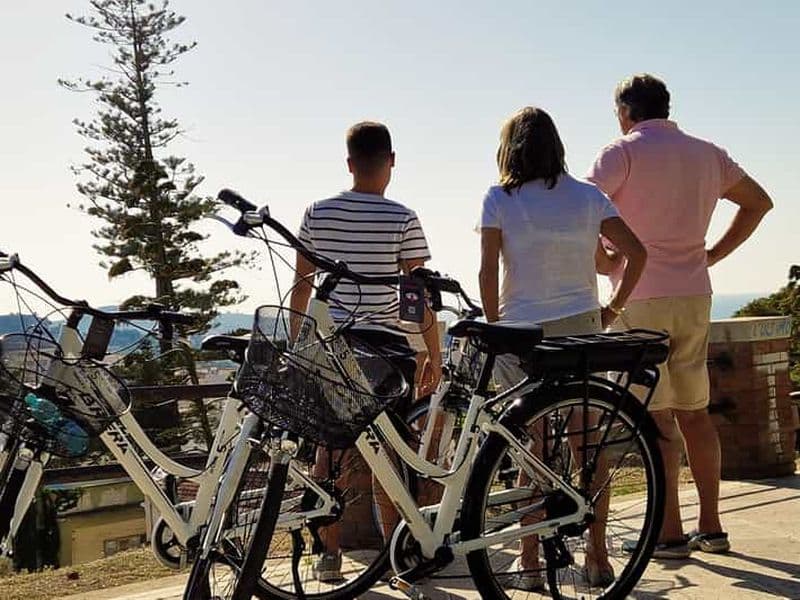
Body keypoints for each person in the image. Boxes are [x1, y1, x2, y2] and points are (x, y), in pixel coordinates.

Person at [588, 74, 773, 558]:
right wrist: (712, 254)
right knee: (696, 415)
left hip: (639, 298)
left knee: (656, 420)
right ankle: (711, 527)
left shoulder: (620, 153)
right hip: (695, 293)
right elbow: (759, 202)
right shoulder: (708, 153)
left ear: (626, 112)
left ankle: (669, 533)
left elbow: (581, 210)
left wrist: (605, 261)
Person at [479, 106, 647, 590]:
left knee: (530, 445)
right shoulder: (589, 197)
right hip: (582, 329)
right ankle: (597, 558)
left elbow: (488, 271)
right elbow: (636, 253)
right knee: (586, 443)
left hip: (522, 331)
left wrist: (495, 325)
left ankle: (530, 564)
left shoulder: (500, 198)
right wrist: (611, 310)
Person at [288, 121, 443, 582]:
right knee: (387, 455)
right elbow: (421, 298)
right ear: (391, 161)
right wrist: (431, 355)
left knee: (328, 452)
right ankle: (399, 555)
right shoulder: (403, 217)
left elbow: (301, 288)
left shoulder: (317, 213)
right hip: (387, 352)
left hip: (332, 348)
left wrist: (300, 347)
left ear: (349, 163)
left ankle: (329, 556)